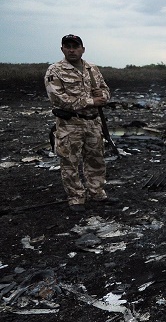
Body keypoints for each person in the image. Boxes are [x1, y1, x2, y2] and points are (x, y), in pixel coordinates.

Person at [45, 34, 118, 212]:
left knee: (96, 159)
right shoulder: (55, 71)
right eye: (67, 46)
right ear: (62, 49)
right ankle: (76, 197)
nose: (72, 50)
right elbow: (59, 99)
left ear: (82, 49)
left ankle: (97, 192)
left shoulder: (92, 68)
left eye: (75, 46)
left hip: (93, 122)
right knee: (70, 161)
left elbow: (104, 89)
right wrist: (91, 101)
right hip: (70, 123)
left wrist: (104, 97)